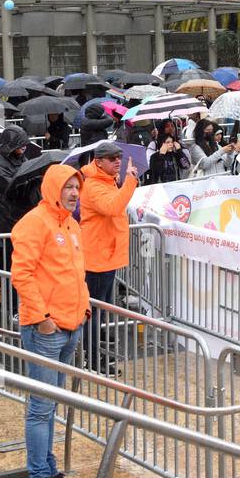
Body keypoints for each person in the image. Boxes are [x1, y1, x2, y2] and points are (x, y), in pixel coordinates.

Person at [10, 163, 92, 478]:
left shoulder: (71, 224)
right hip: (46, 329)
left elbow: (75, 271)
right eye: (68, 187)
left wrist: (84, 306)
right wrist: (42, 319)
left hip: (70, 325)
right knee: (41, 407)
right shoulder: (33, 223)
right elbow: (22, 275)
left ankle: (50, 470)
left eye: (77, 187)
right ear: (52, 188)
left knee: (53, 403)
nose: (74, 193)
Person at [78, 142, 139, 374]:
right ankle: (92, 360)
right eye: (112, 158)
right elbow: (112, 207)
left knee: (98, 311)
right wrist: (130, 181)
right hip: (96, 259)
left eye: (119, 157)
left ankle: (95, 358)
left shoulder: (106, 181)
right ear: (99, 161)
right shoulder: (94, 185)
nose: (117, 161)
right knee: (93, 312)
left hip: (106, 256)